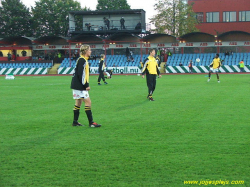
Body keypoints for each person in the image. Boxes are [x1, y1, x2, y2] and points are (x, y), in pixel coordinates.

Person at [71, 44, 101, 127]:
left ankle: (75, 122)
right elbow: (82, 74)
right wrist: (86, 85)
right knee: (88, 102)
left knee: (78, 102)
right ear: (85, 51)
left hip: (76, 84)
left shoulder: (81, 60)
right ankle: (91, 122)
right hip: (80, 85)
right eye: (90, 50)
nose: (91, 51)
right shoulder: (82, 60)